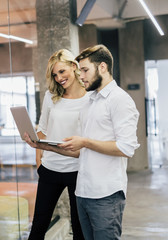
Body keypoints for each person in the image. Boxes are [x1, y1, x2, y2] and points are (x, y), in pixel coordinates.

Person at [24, 45, 140, 240]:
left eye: (84, 69)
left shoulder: (106, 99)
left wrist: (85, 142)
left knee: (86, 232)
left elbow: (124, 147)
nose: (60, 77)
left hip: (93, 182)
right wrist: (40, 153)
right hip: (74, 180)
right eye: (55, 74)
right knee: (46, 226)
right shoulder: (89, 100)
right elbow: (67, 142)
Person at [28, 49, 87, 240]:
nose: (59, 78)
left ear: (73, 66)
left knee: (79, 228)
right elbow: (42, 129)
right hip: (50, 168)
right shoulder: (51, 96)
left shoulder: (90, 97)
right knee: (38, 226)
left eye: (62, 71)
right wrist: (39, 163)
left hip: (78, 170)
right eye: (55, 74)